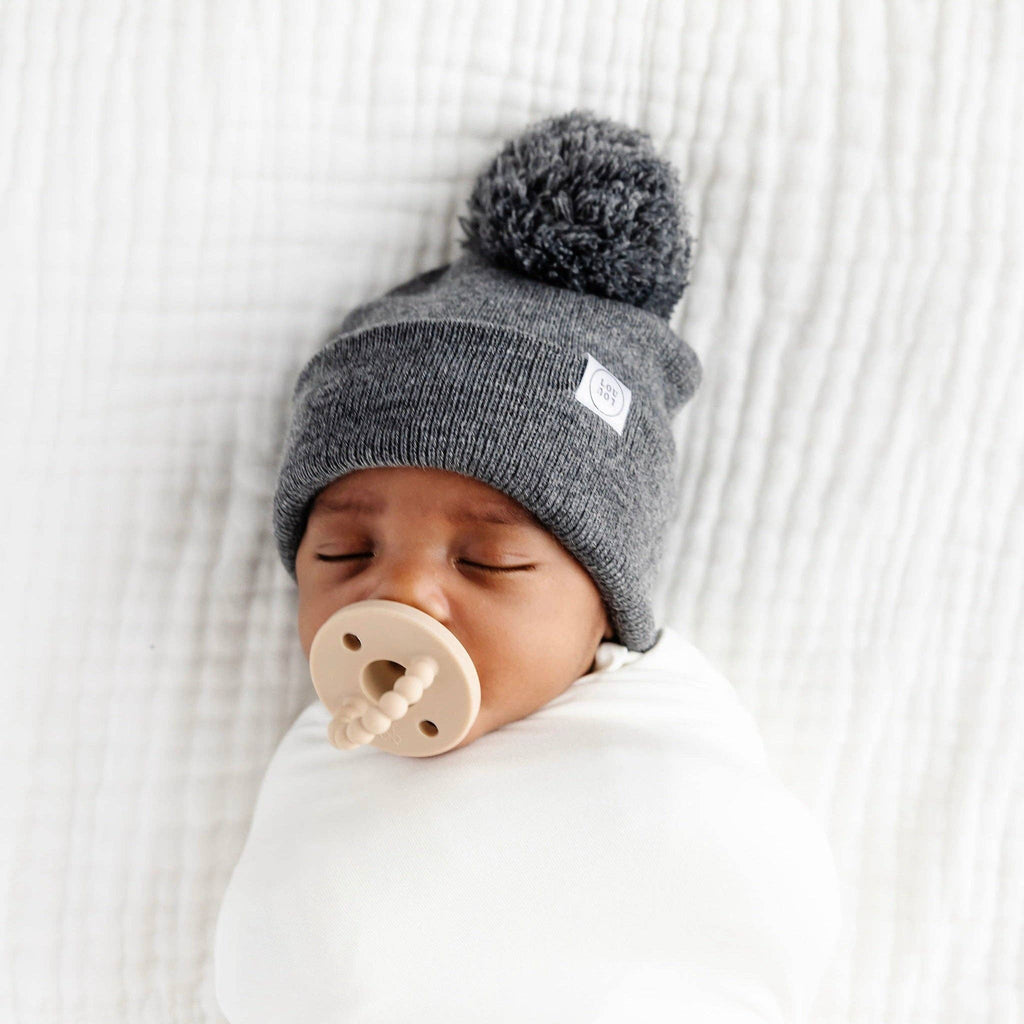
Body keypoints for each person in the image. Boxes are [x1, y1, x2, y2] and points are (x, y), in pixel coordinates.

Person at [214, 109, 841, 1023]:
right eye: (344, 552)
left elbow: (741, 902)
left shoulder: (661, 751)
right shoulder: (326, 765)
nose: (399, 594)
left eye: (491, 561)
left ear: (606, 604)